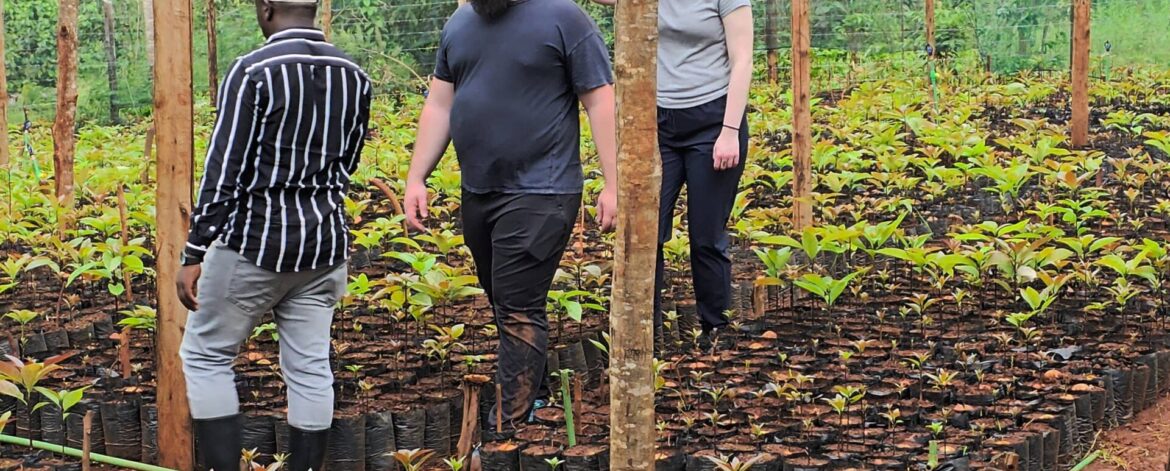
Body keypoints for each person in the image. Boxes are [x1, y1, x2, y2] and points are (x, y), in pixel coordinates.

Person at [404, 0, 618, 437]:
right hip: (480, 190)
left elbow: (599, 100)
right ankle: (532, 394)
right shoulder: (460, 23)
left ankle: (507, 429)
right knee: (502, 298)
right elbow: (439, 106)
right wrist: (415, 176)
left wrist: (613, 183)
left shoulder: (565, 18)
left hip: (543, 189)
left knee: (519, 306)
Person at [174, 0, 372, 469]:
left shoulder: (253, 71)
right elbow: (348, 163)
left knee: (206, 355)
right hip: (324, 243)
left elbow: (225, 169)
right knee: (309, 367)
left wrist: (195, 249)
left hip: (256, 242)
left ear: (265, 10)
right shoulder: (355, 75)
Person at [593, 0, 754, 342]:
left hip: (713, 122)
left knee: (706, 236)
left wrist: (729, 131)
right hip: (658, 124)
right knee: (646, 233)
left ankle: (717, 331)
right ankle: (641, 336)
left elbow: (742, 60)